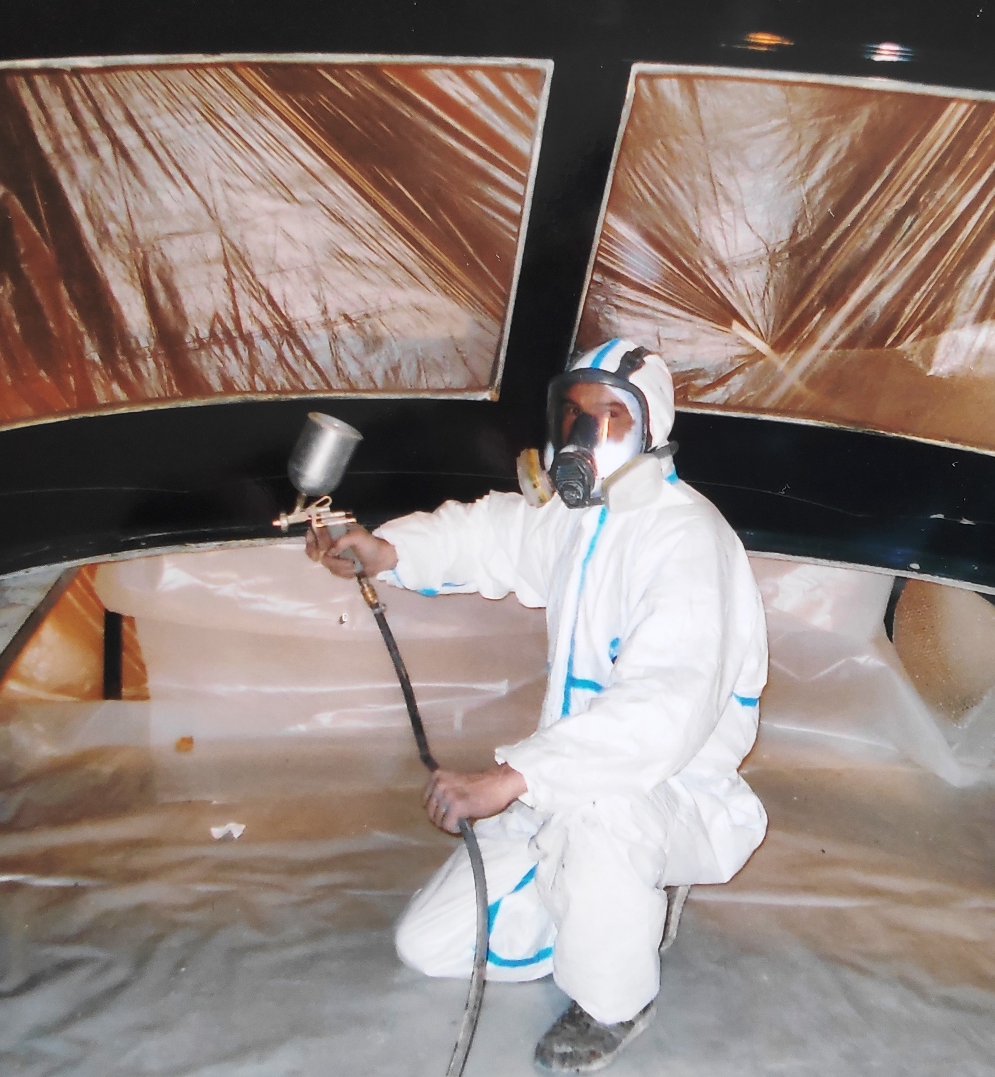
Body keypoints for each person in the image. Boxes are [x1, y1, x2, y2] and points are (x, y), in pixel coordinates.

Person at [306, 339, 768, 1073]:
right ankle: (609, 906)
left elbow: (660, 709)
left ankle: (616, 999)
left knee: (601, 818)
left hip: (666, 786)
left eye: (611, 417)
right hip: (561, 774)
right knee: (429, 943)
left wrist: (512, 779)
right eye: (574, 414)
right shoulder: (581, 518)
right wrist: (387, 551)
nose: (584, 436)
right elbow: (492, 531)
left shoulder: (686, 539)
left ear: (652, 429)